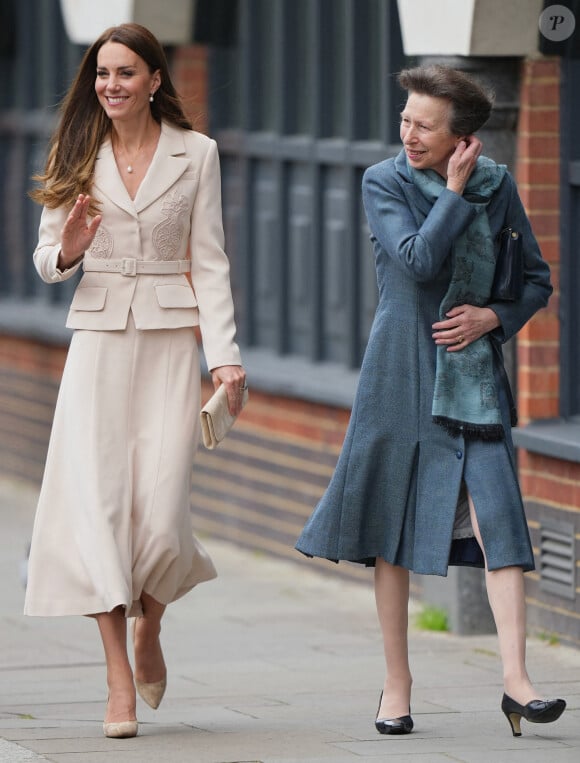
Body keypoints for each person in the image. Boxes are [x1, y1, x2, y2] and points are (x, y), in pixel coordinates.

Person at [296, 64, 566, 738]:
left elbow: (536, 278)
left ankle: (517, 681)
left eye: (424, 125)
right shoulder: (383, 181)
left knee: (500, 519)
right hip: (399, 376)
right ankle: (397, 682)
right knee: (391, 531)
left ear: (461, 138)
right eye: (405, 119)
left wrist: (494, 318)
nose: (408, 133)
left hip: (471, 375)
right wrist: (451, 192)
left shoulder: (499, 187)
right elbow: (416, 261)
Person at [24, 23, 246, 739]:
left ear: (156, 79)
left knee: (160, 511)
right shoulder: (76, 150)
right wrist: (70, 248)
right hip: (96, 343)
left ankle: (150, 619)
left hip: (169, 346)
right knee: (98, 507)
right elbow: (43, 259)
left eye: (125, 73)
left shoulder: (198, 154)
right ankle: (118, 676)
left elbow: (209, 260)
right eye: (101, 73)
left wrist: (227, 356)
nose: (110, 85)